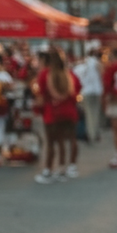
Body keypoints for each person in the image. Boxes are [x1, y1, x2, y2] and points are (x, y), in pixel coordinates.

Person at [34, 48, 82, 184]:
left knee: (51, 142)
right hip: (70, 111)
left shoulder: (44, 74)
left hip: (52, 112)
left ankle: (48, 170)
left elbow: (41, 95)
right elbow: (77, 90)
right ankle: (67, 167)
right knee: (70, 139)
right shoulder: (70, 74)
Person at [73, 49, 103, 143]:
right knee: (95, 113)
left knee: (88, 114)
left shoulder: (79, 67)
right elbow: (102, 73)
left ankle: (91, 133)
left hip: (85, 92)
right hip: (96, 91)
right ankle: (93, 134)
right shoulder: (95, 62)